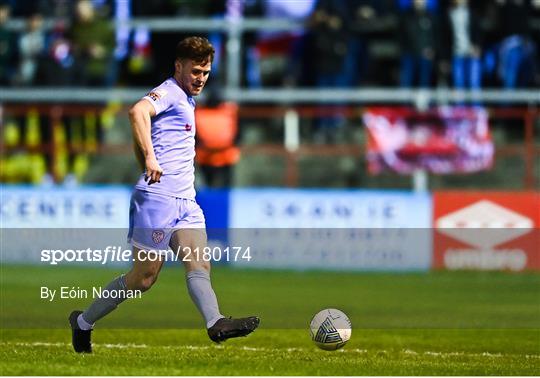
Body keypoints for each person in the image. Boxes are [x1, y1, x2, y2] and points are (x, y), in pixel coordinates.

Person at [69, 36, 260, 353]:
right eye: (196, 71)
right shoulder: (170, 91)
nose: (201, 78)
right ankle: (83, 322)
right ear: (179, 66)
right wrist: (149, 159)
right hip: (157, 200)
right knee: (143, 278)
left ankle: (215, 323)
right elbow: (137, 112)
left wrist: (145, 155)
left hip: (186, 200)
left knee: (199, 264)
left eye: (206, 72)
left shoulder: (186, 98)